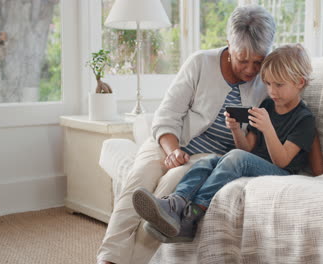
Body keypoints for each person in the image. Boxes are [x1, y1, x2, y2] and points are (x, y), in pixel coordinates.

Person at [97, 5, 278, 264]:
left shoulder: (265, 84)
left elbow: (251, 140)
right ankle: (107, 259)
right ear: (229, 45)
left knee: (167, 193)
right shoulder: (200, 63)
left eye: (258, 61)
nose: (250, 70)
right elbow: (166, 115)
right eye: (243, 59)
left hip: (206, 159)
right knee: (139, 179)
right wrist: (173, 151)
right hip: (167, 142)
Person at [132, 43, 320, 243]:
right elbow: (246, 148)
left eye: (279, 85)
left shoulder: (303, 119)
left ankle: (192, 216)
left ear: (300, 82)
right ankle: (175, 203)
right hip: (254, 165)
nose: (272, 91)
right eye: (268, 83)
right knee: (208, 161)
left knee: (235, 158)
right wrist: (236, 129)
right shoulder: (267, 105)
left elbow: (282, 161)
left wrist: (268, 129)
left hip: (282, 174)